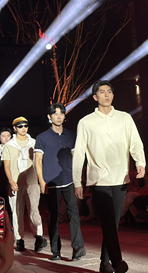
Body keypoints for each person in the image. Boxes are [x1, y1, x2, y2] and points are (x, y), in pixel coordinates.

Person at [73, 80, 146, 273]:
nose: (106, 95)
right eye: (102, 91)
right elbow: (79, 153)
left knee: (112, 224)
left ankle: (104, 264)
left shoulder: (124, 118)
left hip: (121, 178)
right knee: (107, 221)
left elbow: (135, 143)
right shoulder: (86, 122)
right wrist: (77, 181)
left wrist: (140, 162)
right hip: (98, 179)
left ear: (113, 95)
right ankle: (117, 261)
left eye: (109, 91)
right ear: (95, 97)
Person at [35, 102, 86, 261]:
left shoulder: (71, 135)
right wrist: (41, 181)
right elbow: (37, 161)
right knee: (53, 216)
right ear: (49, 117)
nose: (59, 117)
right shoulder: (42, 138)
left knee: (74, 213)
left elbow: (76, 158)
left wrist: (78, 180)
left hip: (69, 179)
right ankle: (55, 251)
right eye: (55, 114)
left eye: (61, 114)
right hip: (51, 182)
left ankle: (78, 248)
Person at [3, 117, 46, 253]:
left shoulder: (34, 143)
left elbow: (39, 162)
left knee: (34, 210)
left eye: (25, 126)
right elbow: (7, 165)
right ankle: (19, 239)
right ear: (15, 128)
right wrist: (11, 181)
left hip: (32, 181)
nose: (23, 128)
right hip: (16, 183)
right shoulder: (9, 145)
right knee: (17, 212)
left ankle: (39, 237)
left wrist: (41, 180)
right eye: (20, 126)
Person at [0, 128, 13, 225]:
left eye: (8, 136)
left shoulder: (14, 148)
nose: (6, 138)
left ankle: (10, 225)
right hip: (1, 179)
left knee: (10, 203)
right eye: (3, 136)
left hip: (11, 178)